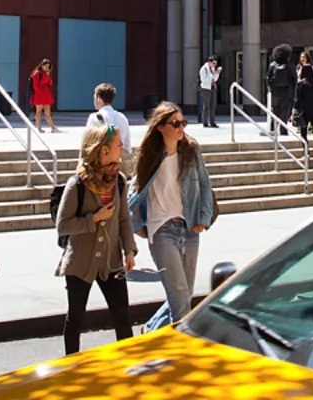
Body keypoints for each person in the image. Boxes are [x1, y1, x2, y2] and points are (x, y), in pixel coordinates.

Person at [129, 102, 216, 324]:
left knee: (184, 296)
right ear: (160, 127)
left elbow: (205, 185)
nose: (181, 128)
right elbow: (134, 192)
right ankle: (182, 351)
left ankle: (153, 329)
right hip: (161, 230)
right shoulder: (149, 155)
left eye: (183, 123)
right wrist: (137, 226)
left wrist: (202, 220)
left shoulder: (191, 150)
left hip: (189, 227)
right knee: (180, 302)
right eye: (175, 123)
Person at [56, 124, 137, 355]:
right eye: (118, 144)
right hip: (80, 263)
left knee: (122, 317)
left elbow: (123, 219)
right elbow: (62, 225)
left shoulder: (119, 181)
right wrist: (94, 218)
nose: (122, 147)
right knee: (76, 318)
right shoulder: (77, 184)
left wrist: (129, 250)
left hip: (110, 262)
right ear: (103, 150)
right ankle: (70, 365)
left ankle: (127, 363)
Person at [86, 83, 133, 176]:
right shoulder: (122, 117)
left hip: (100, 168)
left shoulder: (94, 117)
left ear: (98, 98)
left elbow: (87, 144)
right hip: (118, 167)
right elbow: (127, 147)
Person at [266, 44, 295, 129]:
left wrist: (270, 88)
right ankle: (283, 130)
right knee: (284, 112)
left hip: (275, 92)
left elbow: (268, 78)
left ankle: (273, 128)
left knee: (274, 110)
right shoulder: (290, 65)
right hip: (286, 91)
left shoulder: (272, 65)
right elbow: (294, 80)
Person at [30, 60, 59, 132]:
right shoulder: (37, 73)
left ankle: (52, 127)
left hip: (46, 94)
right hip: (39, 94)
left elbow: (50, 83)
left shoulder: (46, 74)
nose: (47, 68)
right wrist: (40, 93)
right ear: (42, 65)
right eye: (45, 66)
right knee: (38, 111)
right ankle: (39, 127)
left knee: (47, 112)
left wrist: (48, 76)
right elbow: (35, 86)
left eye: (48, 67)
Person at [197, 56, 222, 128]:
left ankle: (212, 121)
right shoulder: (203, 69)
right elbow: (203, 79)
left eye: (215, 63)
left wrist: (217, 73)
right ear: (209, 62)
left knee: (213, 105)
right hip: (205, 88)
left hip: (212, 88)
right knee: (206, 105)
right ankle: (205, 122)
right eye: (213, 63)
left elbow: (215, 79)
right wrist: (212, 75)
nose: (214, 65)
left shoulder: (212, 68)